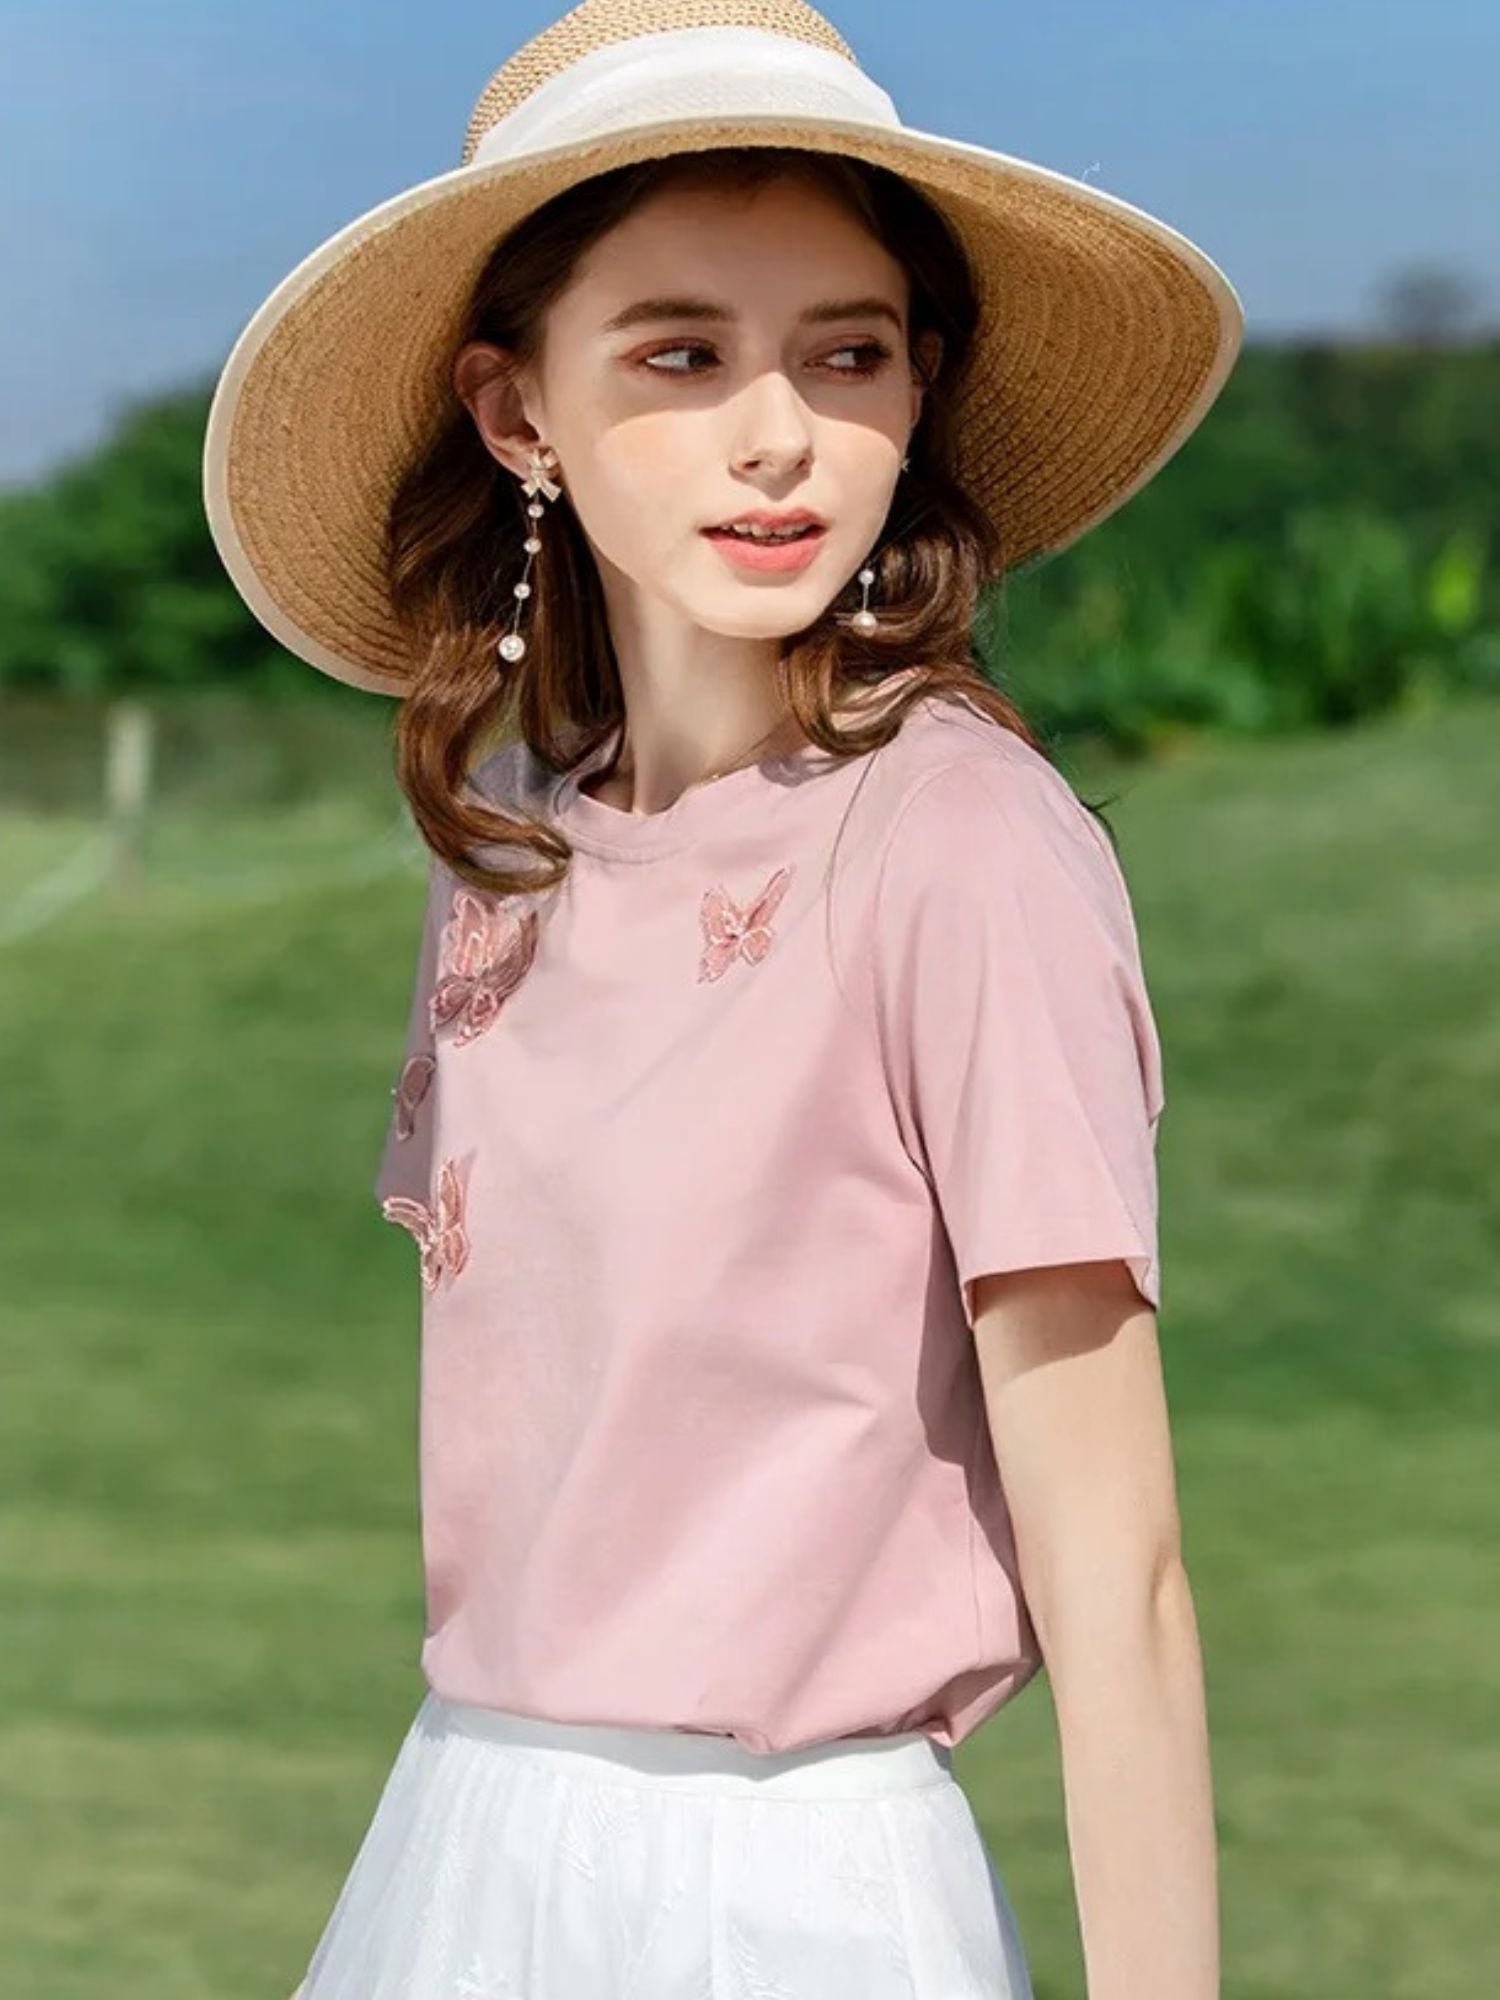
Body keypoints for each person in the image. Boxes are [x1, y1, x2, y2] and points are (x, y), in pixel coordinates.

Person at [204, 3, 1244, 1996]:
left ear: (917, 392)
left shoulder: (961, 843)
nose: (780, 434)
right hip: (465, 1843)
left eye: (848, 353)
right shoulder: (509, 846)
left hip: (795, 1894)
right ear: (518, 411)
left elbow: (1118, 1575)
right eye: (681, 354)